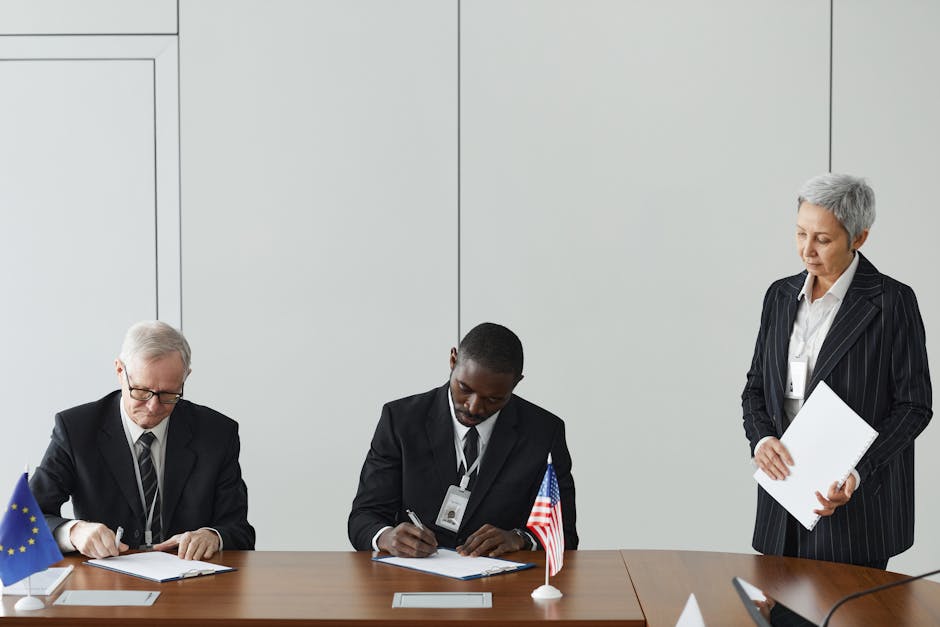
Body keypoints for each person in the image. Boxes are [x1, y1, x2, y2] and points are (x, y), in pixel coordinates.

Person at [742, 173, 932, 569]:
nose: (807, 250)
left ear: (859, 238)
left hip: (856, 512)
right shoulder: (779, 296)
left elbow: (914, 406)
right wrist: (762, 441)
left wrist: (859, 471)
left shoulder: (893, 301)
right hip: (781, 505)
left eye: (823, 239)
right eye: (800, 234)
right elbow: (756, 387)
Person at [348, 322, 577, 558]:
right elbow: (364, 516)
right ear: (453, 360)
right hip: (416, 573)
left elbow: (565, 534)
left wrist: (520, 539)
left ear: (516, 383)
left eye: (493, 399)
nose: (474, 407)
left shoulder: (544, 432)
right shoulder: (400, 420)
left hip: (503, 575)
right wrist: (386, 536)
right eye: (464, 388)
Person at [30, 320, 255, 560]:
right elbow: (27, 518)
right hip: (107, 576)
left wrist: (213, 536)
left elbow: (240, 531)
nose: (153, 406)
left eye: (168, 394)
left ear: (185, 378)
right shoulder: (76, 430)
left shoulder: (217, 433)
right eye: (141, 391)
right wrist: (73, 532)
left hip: (190, 575)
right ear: (120, 371)